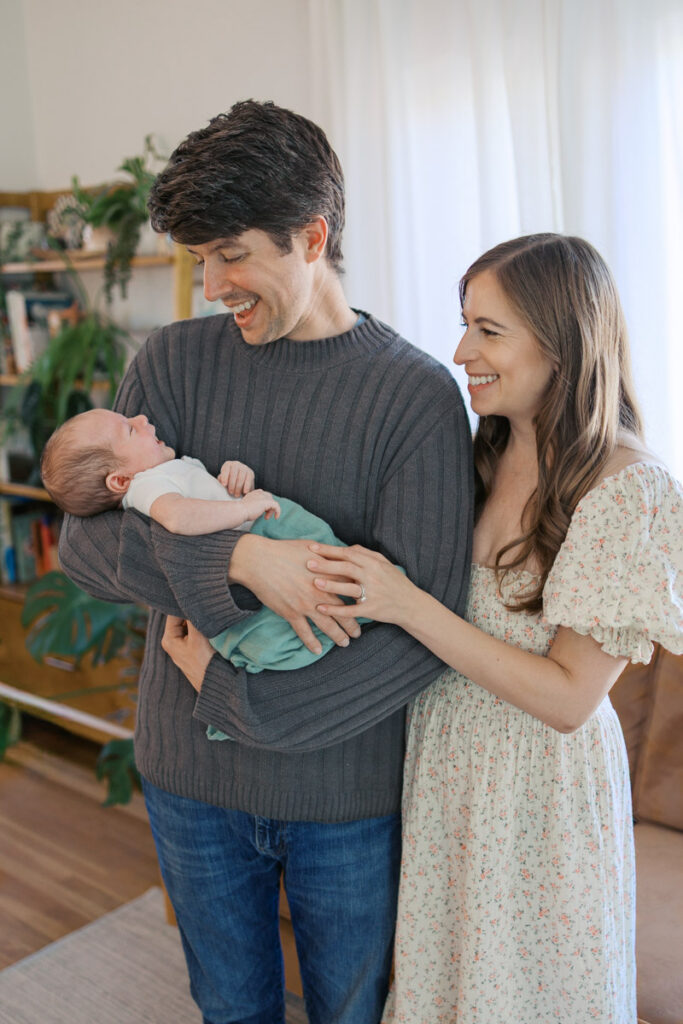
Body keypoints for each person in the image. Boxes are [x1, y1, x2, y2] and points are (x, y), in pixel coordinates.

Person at [56, 99, 474, 1024]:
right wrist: (242, 558)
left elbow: (426, 629)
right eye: (198, 259)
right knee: (229, 1010)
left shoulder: (414, 397)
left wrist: (242, 702)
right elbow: (87, 541)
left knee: (349, 1012)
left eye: (230, 255)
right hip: (188, 784)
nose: (210, 285)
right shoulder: (169, 364)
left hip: (342, 794)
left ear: (311, 235)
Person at [306, 233, 683, 1023]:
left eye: (488, 330)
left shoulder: (627, 489)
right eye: (463, 322)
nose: (459, 350)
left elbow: (569, 698)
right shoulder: (475, 451)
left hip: (538, 797)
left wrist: (406, 602)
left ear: (560, 341)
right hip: (446, 772)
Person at [40, 407, 371, 690]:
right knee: (322, 575)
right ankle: (367, 599)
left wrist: (233, 477)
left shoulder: (159, 473)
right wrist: (242, 510)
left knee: (322, 584)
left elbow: (206, 497)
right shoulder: (147, 486)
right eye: (130, 428)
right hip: (260, 535)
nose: (142, 417)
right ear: (119, 482)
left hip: (256, 544)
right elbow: (179, 518)